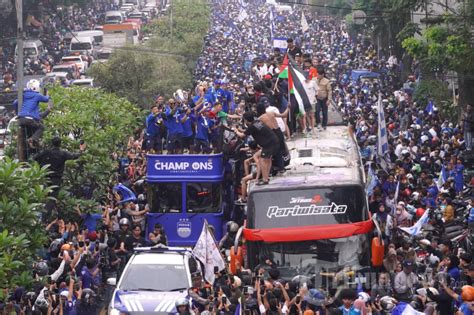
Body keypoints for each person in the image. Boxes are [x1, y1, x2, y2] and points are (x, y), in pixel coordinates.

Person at [233, 111, 279, 185]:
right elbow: (247, 131)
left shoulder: (252, 126)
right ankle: (266, 177)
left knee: (262, 160)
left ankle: (265, 180)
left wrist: (235, 131)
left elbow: (242, 135)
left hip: (268, 144)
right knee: (268, 159)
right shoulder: (257, 122)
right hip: (273, 140)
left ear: (246, 120)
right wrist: (239, 130)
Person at [14, 79, 53, 148]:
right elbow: (46, 99)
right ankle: (32, 139)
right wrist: (49, 96)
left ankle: (32, 143)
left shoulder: (24, 95)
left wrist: (18, 113)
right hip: (29, 119)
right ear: (36, 87)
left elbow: (15, 103)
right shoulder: (37, 95)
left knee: (31, 129)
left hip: (21, 119)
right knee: (41, 127)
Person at [315, 67, 332, 131]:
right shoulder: (314, 80)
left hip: (324, 98)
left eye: (318, 74)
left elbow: (329, 91)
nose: (317, 76)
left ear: (322, 75)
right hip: (317, 98)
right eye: (317, 74)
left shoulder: (326, 81)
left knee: (325, 112)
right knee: (317, 111)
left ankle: (324, 125)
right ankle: (318, 123)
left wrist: (329, 100)